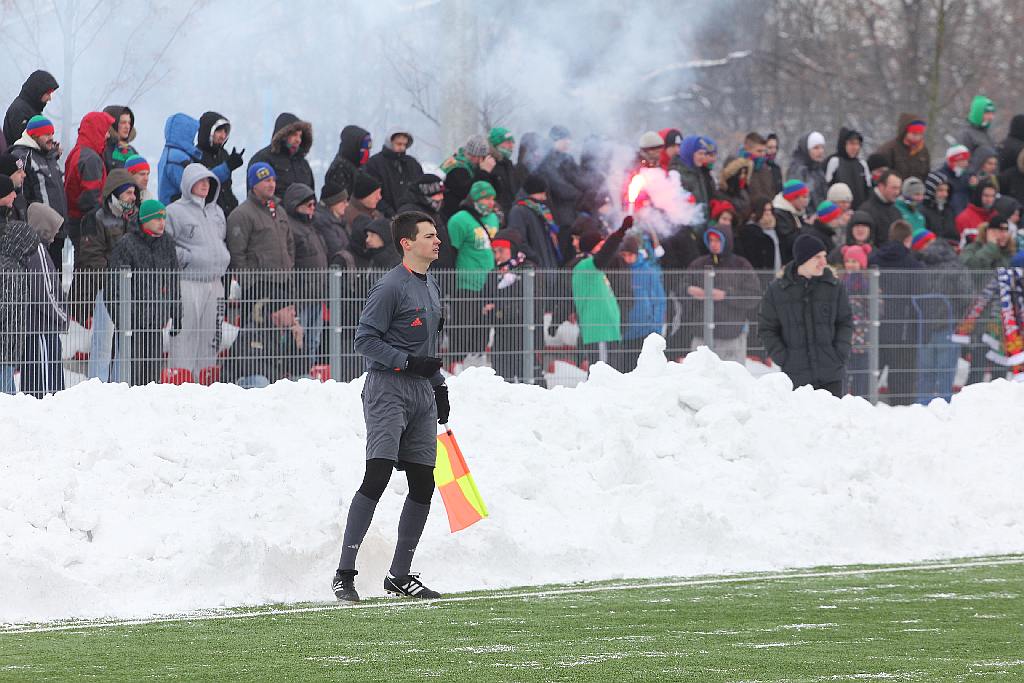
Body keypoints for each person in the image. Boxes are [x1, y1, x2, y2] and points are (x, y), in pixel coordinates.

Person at [331, 210, 448, 603]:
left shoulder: (432, 287)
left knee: (423, 482)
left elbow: (427, 350)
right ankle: (344, 573)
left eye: (436, 236)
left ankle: (399, 575)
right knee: (377, 475)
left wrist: (439, 386)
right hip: (388, 389)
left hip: (421, 393)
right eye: (429, 236)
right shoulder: (389, 287)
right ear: (407, 243)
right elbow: (364, 340)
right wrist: (406, 362)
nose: (437, 241)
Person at [758, 233, 853, 396]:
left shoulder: (834, 286)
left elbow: (845, 323)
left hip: (831, 374)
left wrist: (839, 353)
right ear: (803, 259)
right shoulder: (777, 290)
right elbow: (767, 328)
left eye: (824, 256)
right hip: (796, 377)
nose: (824, 262)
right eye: (817, 257)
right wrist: (784, 358)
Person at [73, 169, 141, 381]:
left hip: (131, 289)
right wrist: (116, 276)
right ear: (116, 192)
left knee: (126, 341)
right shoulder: (96, 218)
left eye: (134, 193)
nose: (133, 197)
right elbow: (92, 257)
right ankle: (98, 385)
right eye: (128, 192)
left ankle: (122, 384)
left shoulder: (135, 218)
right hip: (106, 288)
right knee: (103, 342)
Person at [164, 163, 230, 378]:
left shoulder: (217, 212)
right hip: (188, 282)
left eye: (208, 181)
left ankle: (205, 380)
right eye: (199, 181)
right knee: (185, 332)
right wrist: (187, 259)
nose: (204, 185)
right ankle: (180, 380)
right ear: (187, 183)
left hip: (215, 282)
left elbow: (220, 240)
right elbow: (166, 244)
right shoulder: (174, 211)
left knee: (212, 334)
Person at [107, 199, 181, 386]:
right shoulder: (127, 244)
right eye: (157, 219)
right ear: (145, 220)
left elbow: (173, 280)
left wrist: (176, 313)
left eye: (163, 219)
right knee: (130, 375)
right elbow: (113, 287)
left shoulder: (167, 243)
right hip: (131, 324)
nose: (162, 223)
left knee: (152, 377)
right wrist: (122, 319)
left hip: (156, 321)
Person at [911, 226, 971, 403]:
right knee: (945, 374)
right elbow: (967, 297)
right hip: (949, 326)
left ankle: (921, 409)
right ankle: (944, 409)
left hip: (923, 327)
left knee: (925, 375)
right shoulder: (957, 267)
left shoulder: (922, 264)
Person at [687, 223, 760, 363]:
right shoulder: (698, 264)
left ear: (727, 241)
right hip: (701, 334)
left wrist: (726, 296)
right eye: (711, 240)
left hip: (731, 335)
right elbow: (680, 288)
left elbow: (754, 296)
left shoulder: (741, 265)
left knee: (730, 381)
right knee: (697, 379)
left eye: (718, 240)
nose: (714, 244)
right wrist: (689, 290)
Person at [868, 220, 922, 405]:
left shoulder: (874, 259)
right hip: (904, 328)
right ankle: (901, 409)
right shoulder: (913, 264)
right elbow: (918, 297)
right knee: (902, 379)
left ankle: (861, 405)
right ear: (908, 239)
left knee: (871, 372)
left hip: (877, 325)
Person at [226, 162, 295, 301]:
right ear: (254, 184)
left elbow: (290, 244)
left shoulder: (280, 211)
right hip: (259, 286)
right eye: (266, 180)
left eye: (273, 180)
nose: (272, 184)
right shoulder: (241, 214)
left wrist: (290, 272)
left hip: (284, 283)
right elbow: (237, 253)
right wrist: (249, 285)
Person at [570, 217, 633, 361]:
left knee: (609, 377)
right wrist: (621, 231)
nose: (604, 248)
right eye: (601, 245)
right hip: (599, 332)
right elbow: (606, 253)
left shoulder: (593, 268)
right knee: (602, 377)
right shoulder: (585, 266)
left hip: (608, 330)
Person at [22, 203, 67, 397]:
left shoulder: (30, 248)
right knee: (48, 388)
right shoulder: (38, 250)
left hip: (35, 327)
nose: (56, 236)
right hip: (42, 328)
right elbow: (45, 293)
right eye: (53, 230)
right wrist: (62, 316)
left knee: (34, 382)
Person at [283, 183, 328, 368]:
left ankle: (308, 377)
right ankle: (298, 377)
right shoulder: (291, 227)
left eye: (313, 205)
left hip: (316, 296)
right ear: (296, 205)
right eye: (308, 205)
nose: (312, 209)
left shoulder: (310, 227)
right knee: (298, 343)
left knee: (312, 342)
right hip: (301, 296)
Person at [0, 194, 40, 394]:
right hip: (7, 346)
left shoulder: (13, 266)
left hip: (9, 345)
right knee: (6, 394)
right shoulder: (13, 271)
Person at [64, 111, 115, 249]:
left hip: (75, 221)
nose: (108, 135)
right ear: (97, 130)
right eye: (105, 131)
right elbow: (92, 199)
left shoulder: (77, 152)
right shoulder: (90, 159)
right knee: (91, 266)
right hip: (88, 226)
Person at [10, 115, 67, 224]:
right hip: (39, 229)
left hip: (58, 227)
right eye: (46, 134)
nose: (51, 138)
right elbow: (18, 195)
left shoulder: (49, 156)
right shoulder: (22, 156)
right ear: (34, 136)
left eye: (52, 134)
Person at [248, 112, 314, 198]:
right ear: (283, 135)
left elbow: (311, 195)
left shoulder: (303, 164)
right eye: (294, 135)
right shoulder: (262, 159)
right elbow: (256, 197)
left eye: (300, 136)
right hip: (273, 211)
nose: (298, 140)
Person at [365, 128, 423, 217]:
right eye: (399, 144)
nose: (402, 147)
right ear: (390, 142)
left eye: (405, 144)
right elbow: (372, 192)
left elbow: (420, 188)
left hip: (412, 215)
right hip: (385, 217)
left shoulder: (412, 164)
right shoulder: (375, 163)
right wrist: (389, 213)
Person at [507, 174, 561, 268]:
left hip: (547, 266)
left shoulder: (542, 210)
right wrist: (535, 258)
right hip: (533, 269)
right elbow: (517, 241)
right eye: (544, 193)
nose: (545, 198)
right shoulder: (519, 211)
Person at [398, 174, 452, 269]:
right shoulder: (410, 213)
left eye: (442, 194)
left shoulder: (436, 212)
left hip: (439, 272)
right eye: (437, 194)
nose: (441, 198)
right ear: (425, 194)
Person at [537, 125, 584, 230]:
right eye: (565, 139)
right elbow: (559, 188)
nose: (568, 142)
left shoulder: (568, 159)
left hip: (573, 211)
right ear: (555, 140)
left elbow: (579, 179)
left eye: (569, 139)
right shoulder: (547, 162)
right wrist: (579, 194)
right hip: (560, 214)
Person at [197, 111, 244, 217]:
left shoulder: (223, 154)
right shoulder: (196, 155)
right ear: (208, 130)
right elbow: (203, 182)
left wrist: (235, 206)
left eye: (225, 132)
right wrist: (228, 166)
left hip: (228, 213)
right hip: (207, 215)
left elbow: (227, 187)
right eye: (218, 130)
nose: (223, 136)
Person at [3, 70, 58, 148]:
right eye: (48, 93)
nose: (49, 98)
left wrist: (52, 149)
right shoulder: (20, 111)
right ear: (38, 91)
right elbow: (26, 146)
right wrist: (51, 151)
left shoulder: (33, 109)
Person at [157, 113, 201, 206]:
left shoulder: (168, 153)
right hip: (180, 211)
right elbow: (193, 188)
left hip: (168, 208)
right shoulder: (179, 159)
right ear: (186, 133)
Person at [873, 113, 930, 183]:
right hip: (895, 191)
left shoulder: (923, 150)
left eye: (920, 134)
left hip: (917, 192)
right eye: (914, 133)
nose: (917, 137)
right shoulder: (889, 149)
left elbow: (926, 173)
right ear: (905, 132)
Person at [735, 197, 788, 271]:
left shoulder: (776, 229)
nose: (768, 213)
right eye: (765, 210)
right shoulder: (749, 231)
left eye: (770, 210)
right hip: (761, 273)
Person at [825, 127, 871, 209]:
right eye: (852, 143)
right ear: (843, 144)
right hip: (838, 211)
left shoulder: (862, 164)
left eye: (858, 144)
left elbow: (868, 190)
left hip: (859, 212)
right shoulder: (834, 161)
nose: (855, 147)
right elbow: (826, 187)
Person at [674, 135, 717, 219]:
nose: (703, 157)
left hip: (701, 226)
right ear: (689, 153)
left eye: (704, 154)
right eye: (700, 153)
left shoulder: (698, 172)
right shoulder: (678, 175)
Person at [925, 144, 972, 217]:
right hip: (949, 215)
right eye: (962, 160)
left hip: (963, 216)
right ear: (953, 161)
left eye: (966, 160)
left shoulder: (966, 176)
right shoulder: (939, 177)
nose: (966, 163)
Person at [325, 125, 371, 195]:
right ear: (353, 146)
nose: (367, 152)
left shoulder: (360, 165)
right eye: (364, 148)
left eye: (369, 148)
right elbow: (339, 201)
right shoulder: (339, 169)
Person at [860, 170, 903, 245]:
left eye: (899, 188)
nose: (897, 192)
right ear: (881, 186)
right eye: (894, 188)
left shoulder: (896, 211)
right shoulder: (866, 211)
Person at [786, 131, 828, 207]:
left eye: (822, 147)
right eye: (816, 148)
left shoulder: (818, 169)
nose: (820, 151)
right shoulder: (798, 170)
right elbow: (796, 198)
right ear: (806, 149)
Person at [313, 182, 350, 265]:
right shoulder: (323, 222)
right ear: (333, 203)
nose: (347, 205)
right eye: (343, 202)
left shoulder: (340, 220)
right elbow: (336, 249)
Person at [487, 127, 519, 216]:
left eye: (512, 142)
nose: (511, 146)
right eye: (507, 142)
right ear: (496, 144)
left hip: (512, 213)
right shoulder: (489, 165)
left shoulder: (509, 165)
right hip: (497, 217)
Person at [101, 105, 139, 170]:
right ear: (113, 125)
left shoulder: (132, 151)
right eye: (123, 122)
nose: (127, 126)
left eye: (129, 123)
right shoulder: (103, 150)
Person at [920, 176, 957, 242]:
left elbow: (954, 234)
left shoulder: (949, 210)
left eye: (947, 190)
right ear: (931, 191)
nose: (945, 194)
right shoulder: (922, 211)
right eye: (940, 190)